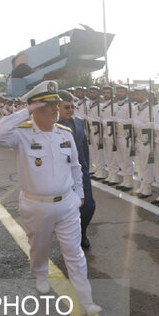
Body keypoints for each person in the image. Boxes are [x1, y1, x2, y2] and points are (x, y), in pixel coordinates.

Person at [0, 80, 100, 315]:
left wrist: (79, 195)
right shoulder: (21, 135)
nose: (55, 109)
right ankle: (40, 274)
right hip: (35, 205)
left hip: (67, 203)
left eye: (57, 104)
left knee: (74, 253)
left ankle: (85, 300)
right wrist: (25, 111)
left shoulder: (65, 134)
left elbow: (76, 167)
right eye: (48, 105)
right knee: (39, 247)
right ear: (35, 107)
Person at [57, 90, 95, 249]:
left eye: (72, 106)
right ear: (57, 107)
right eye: (66, 107)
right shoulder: (50, 125)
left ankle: (82, 232)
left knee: (88, 206)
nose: (70, 110)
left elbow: (84, 148)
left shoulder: (79, 122)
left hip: (80, 172)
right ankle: (69, 237)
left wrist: (86, 168)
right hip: (60, 174)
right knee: (66, 209)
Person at [132, 85, 154, 198]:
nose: (136, 96)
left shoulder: (150, 108)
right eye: (135, 94)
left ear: (145, 94)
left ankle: (148, 187)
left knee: (146, 164)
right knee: (139, 163)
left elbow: (148, 125)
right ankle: (142, 183)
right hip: (137, 137)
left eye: (138, 94)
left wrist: (136, 123)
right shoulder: (136, 107)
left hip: (146, 138)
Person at [113, 84, 134, 191]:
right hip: (117, 134)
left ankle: (129, 181)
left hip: (126, 136)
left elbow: (131, 121)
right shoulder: (117, 105)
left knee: (126, 159)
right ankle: (125, 180)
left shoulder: (129, 105)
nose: (119, 93)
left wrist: (118, 121)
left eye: (121, 91)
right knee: (120, 159)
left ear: (126, 93)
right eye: (118, 91)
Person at [87, 86, 106, 179]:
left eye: (94, 92)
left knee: (99, 151)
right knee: (93, 151)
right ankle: (97, 169)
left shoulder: (101, 105)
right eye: (91, 92)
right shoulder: (89, 104)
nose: (92, 94)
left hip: (97, 129)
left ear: (98, 94)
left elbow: (102, 119)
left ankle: (101, 171)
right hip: (90, 128)